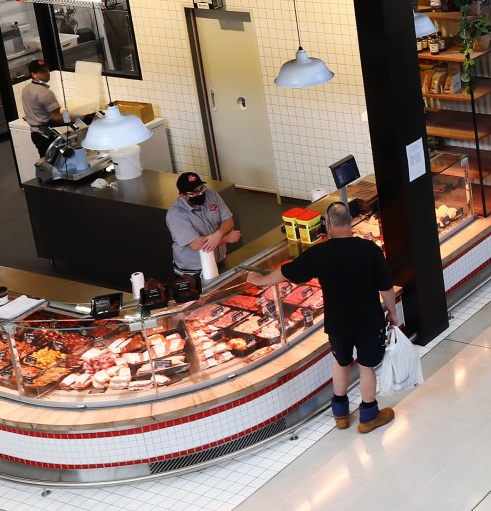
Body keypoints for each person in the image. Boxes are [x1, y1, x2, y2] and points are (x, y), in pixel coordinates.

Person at [246, 204, 399, 434]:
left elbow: (288, 271)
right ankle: (368, 417)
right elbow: (386, 286)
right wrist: (393, 311)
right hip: (368, 319)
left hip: (337, 322)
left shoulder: (320, 253)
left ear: (328, 224)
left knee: (341, 362)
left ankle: (341, 414)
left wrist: (259, 280)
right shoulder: (369, 250)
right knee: (367, 366)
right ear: (349, 221)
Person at [166, 172, 240, 280]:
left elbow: (228, 220)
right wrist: (226, 238)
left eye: (201, 189)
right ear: (183, 196)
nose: (200, 193)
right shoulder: (176, 214)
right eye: (194, 192)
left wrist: (218, 235)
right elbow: (196, 244)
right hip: (193, 272)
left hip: (219, 260)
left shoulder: (212, 195)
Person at [18, 60, 63, 160]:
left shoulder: (26, 89)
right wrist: (76, 116)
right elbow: (57, 118)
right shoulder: (45, 93)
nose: (47, 73)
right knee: (57, 165)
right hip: (46, 135)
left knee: (46, 162)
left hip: (35, 135)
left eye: (47, 70)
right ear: (33, 74)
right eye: (42, 71)